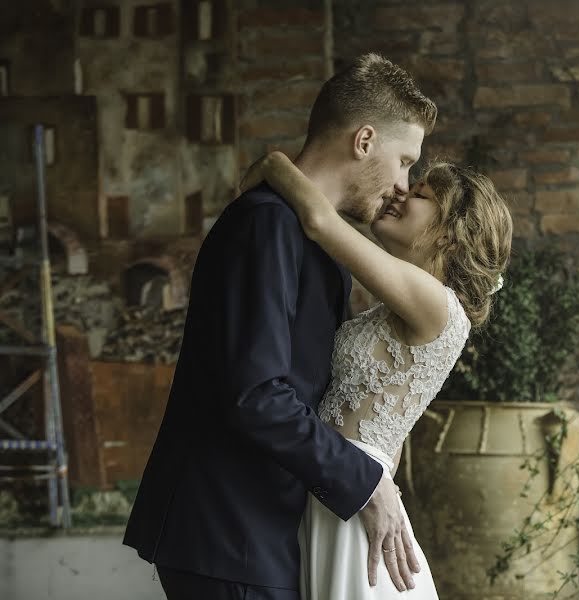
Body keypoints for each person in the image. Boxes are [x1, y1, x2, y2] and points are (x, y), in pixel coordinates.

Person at [123, 53, 437, 599]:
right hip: (230, 530)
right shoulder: (266, 225)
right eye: (404, 160)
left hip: (266, 529)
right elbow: (255, 395)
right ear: (364, 141)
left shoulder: (312, 237)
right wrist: (367, 486)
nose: (403, 185)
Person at [239, 148, 513, 599]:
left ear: (448, 234)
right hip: (341, 486)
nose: (402, 192)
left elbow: (321, 223)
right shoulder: (402, 309)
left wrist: (272, 164)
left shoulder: (437, 303)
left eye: (422, 193)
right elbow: (393, 426)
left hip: (349, 495)